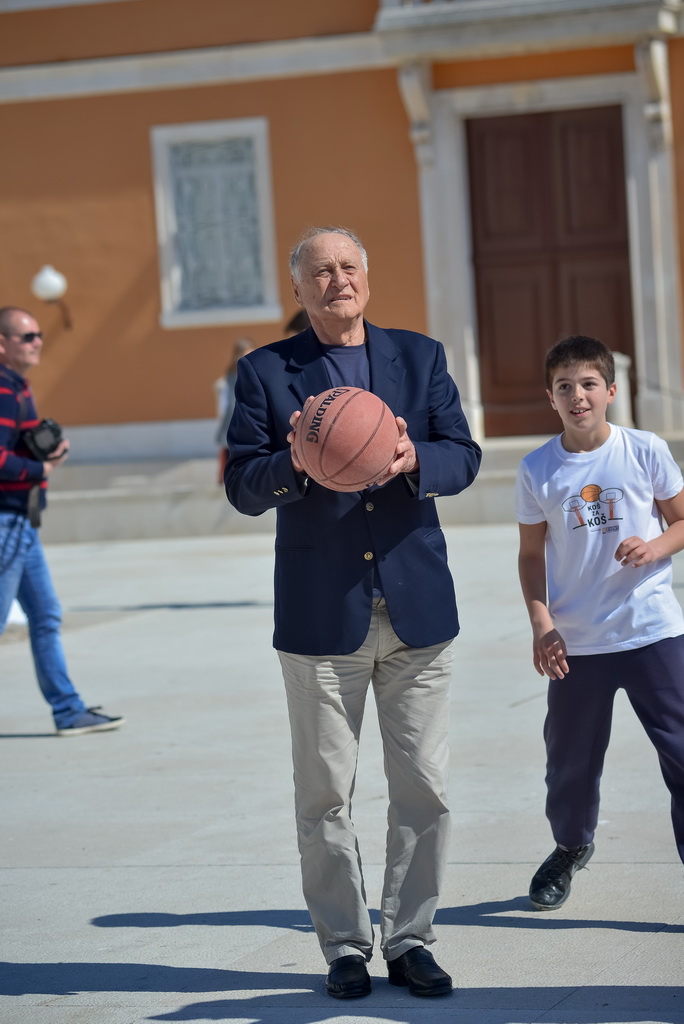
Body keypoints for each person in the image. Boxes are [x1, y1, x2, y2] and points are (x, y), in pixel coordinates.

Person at [225, 226, 481, 998]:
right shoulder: (265, 372)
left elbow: (463, 455)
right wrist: (297, 463)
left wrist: (414, 458)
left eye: (348, 267)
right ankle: (342, 946)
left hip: (416, 610)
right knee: (325, 796)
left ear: (366, 277)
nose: (337, 280)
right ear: (298, 289)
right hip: (320, 617)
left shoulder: (421, 358)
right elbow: (242, 484)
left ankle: (410, 939)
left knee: (425, 790)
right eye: (321, 271)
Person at [516, 335, 684, 911]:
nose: (577, 395)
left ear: (611, 390)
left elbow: (681, 521)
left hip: (651, 632)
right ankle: (570, 847)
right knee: (569, 763)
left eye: (588, 384)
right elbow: (530, 555)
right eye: (564, 386)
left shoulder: (644, 449)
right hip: (577, 644)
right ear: (551, 397)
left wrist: (655, 547)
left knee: (682, 753)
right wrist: (541, 622)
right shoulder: (538, 468)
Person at [0, 306, 125, 736]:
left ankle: (68, 710)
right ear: (3, 344)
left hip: (21, 521)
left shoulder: (17, 387)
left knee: (46, 615)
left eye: (38, 335)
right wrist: (43, 468)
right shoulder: (3, 390)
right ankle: (68, 709)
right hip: (6, 521)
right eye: (27, 336)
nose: (38, 342)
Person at [214, 337, 254, 483]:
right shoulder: (231, 375)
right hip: (233, 418)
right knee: (229, 451)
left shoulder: (255, 371)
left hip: (249, 417)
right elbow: (226, 401)